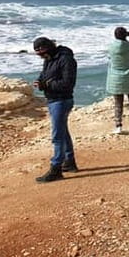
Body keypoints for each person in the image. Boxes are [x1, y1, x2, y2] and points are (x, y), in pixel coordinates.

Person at [32, 37, 78, 183]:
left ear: (49, 47)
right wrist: (40, 81)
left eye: (42, 53)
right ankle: (69, 162)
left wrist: (47, 85)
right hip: (52, 100)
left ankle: (56, 168)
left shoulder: (66, 59)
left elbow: (67, 83)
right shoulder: (49, 58)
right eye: (38, 54)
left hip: (62, 100)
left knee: (57, 135)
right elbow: (45, 75)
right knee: (63, 132)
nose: (41, 57)